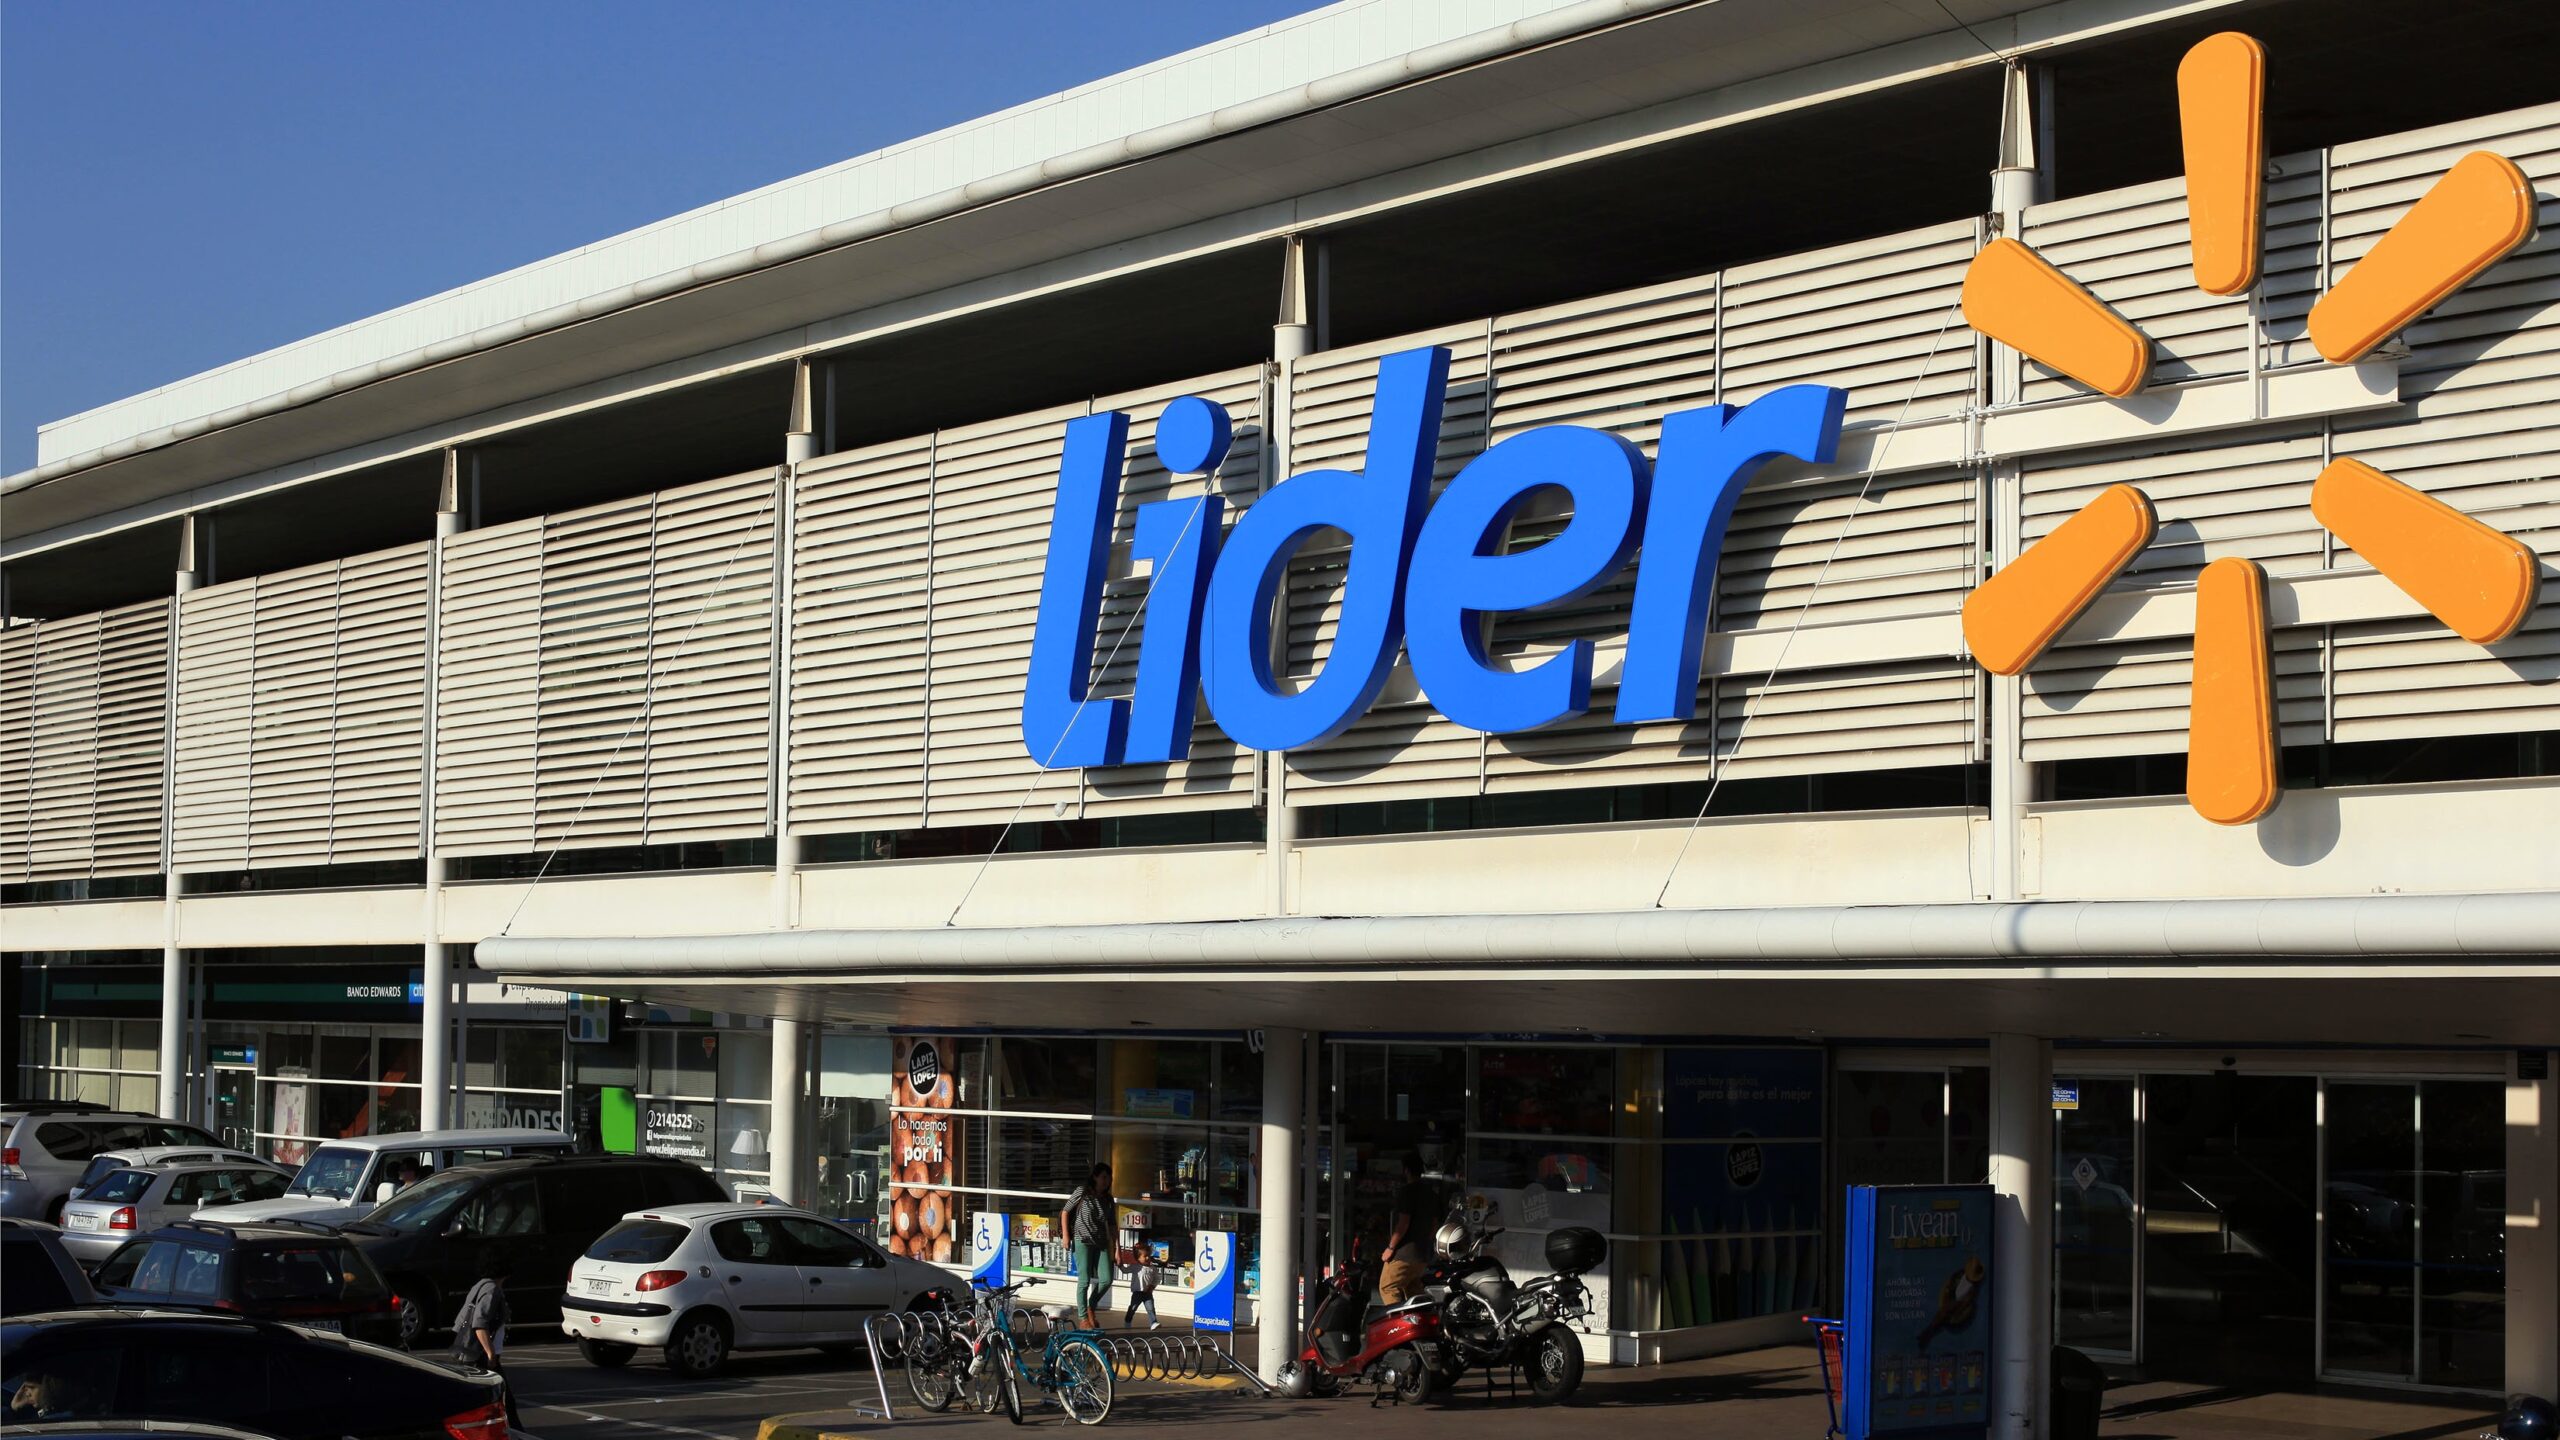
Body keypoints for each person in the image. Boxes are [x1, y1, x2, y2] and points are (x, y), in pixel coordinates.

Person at [450, 1253, 521, 1429]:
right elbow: (479, 1324)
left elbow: (461, 1320)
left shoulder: (479, 1286)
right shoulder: (492, 1290)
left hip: (467, 1352)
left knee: (486, 1402)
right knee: (505, 1402)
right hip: (480, 1355)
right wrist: (490, 1354)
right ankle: (516, 1434)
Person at [1060, 1162, 1116, 1330]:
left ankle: (1091, 1306)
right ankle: (1083, 1318)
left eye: (1109, 1178)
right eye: (1103, 1177)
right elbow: (1065, 1211)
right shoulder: (1082, 1192)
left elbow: (1112, 1225)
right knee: (1084, 1280)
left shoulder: (1108, 1199)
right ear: (1095, 1177)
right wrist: (1066, 1236)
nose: (1106, 1181)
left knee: (1106, 1279)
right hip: (1082, 1240)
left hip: (1101, 1241)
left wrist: (1117, 1249)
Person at [1377, 1154, 1433, 1306]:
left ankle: (1396, 1320)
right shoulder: (1430, 1193)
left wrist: (1390, 1248)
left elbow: (1403, 1224)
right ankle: (1420, 1318)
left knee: (1388, 1287)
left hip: (1404, 1253)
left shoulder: (1407, 1192)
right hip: (1422, 1254)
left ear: (1406, 1170)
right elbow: (1434, 1224)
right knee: (1413, 1290)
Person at [1121, 1247, 1161, 1330]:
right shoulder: (1135, 1267)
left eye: (1149, 1256)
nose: (1148, 1258)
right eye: (1145, 1256)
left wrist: (1152, 1286)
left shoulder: (1152, 1268)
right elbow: (1125, 1270)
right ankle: (1127, 1321)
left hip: (1147, 1293)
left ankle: (1153, 1322)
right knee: (1133, 1308)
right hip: (1137, 1292)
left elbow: (1157, 1279)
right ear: (1138, 1258)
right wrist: (1119, 1265)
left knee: (1150, 1308)